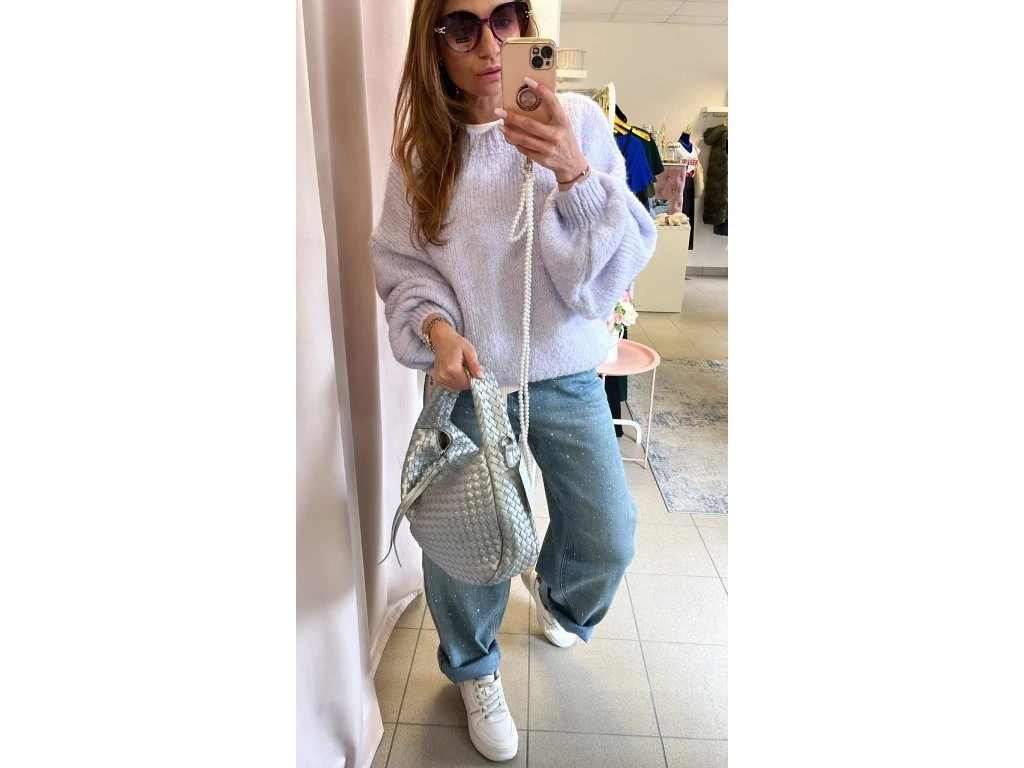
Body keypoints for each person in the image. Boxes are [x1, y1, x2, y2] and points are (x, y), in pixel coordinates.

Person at [370, 0, 656, 760]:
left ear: (526, 22)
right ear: (435, 45)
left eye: (503, 17)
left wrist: (572, 171)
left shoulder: (580, 122)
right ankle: (473, 667)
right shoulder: (424, 152)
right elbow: (403, 268)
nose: (489, 44)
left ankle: (559, 596)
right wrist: (437, 330)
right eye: (461, 27)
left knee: (607, 535)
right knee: (466, 546)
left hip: (565, 371)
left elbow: (598, 282)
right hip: (470, 379)